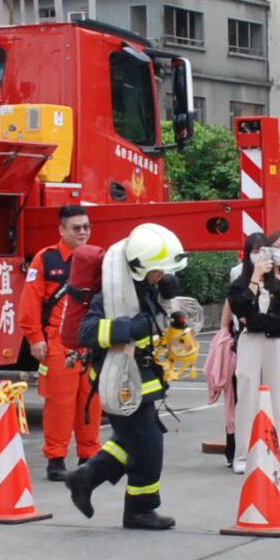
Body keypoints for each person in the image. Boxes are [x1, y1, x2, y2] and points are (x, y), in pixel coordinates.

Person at [63, 222, 190, 531]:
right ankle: (139, 510)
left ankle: (85, 477)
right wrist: (127, 328)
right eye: (157, 271)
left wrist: (168, 303)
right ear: (140, 267)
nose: (161, 276)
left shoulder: (146, 288)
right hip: (119, 380)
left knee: (134, 440)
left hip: (143, 378)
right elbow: (87, 331)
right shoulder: (112, 294)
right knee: (148, 447)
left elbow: (155, 320)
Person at [20, 204, 98, 481]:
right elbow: (30, 300)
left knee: (91, 401)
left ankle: (89, 456)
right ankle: (56, 459)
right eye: (76, 228)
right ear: (61, 230)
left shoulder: (98, 259)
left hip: (91, 343)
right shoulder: (46, 259)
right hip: (57, 342)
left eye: (86, 227)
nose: (82, 232)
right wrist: (35, 338)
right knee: (59, 404)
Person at [221, 229, 280, 463]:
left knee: (275, 398)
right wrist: (254, 278)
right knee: (246, 396)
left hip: (274, 343)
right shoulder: (240, 282)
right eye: (255, 251)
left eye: (264, 250)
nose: (260, 255)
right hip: (249, 341)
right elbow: (241, 308)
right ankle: (242, 455)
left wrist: (256, 319)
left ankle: (275, 451)